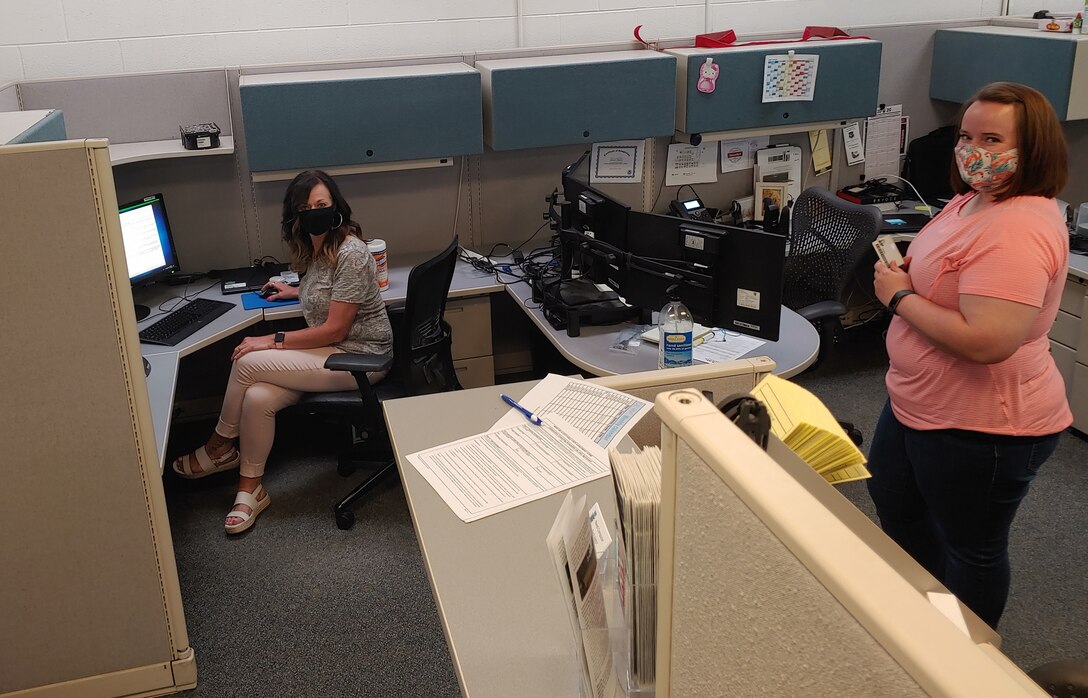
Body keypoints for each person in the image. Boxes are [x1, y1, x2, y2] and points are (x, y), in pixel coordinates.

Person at [869, 82, 1071, 629]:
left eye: (992, 138)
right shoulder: (975, 200)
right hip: (921, 400)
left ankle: (966, 660)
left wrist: (900, 297)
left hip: (984, 424)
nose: (971, 149)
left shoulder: (1018, 228)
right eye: (966, 135)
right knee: (897, 506)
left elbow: (988, 341)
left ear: (1031, 149)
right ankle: (926, 621)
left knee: (970, 549)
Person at [171, 169, 393, 534]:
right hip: (329, 351)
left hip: (361, 358)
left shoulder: (351, 252)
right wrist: (297, 292)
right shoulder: (317, 247)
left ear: (336, 206)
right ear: (295, 216)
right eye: (305, 207)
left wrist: (270, 340)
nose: (314, 212)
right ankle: (250, 490)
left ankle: (217, 448)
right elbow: (326, 294)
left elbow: (336, 327)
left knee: (247, 361)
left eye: (322, 205)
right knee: (258, 397)